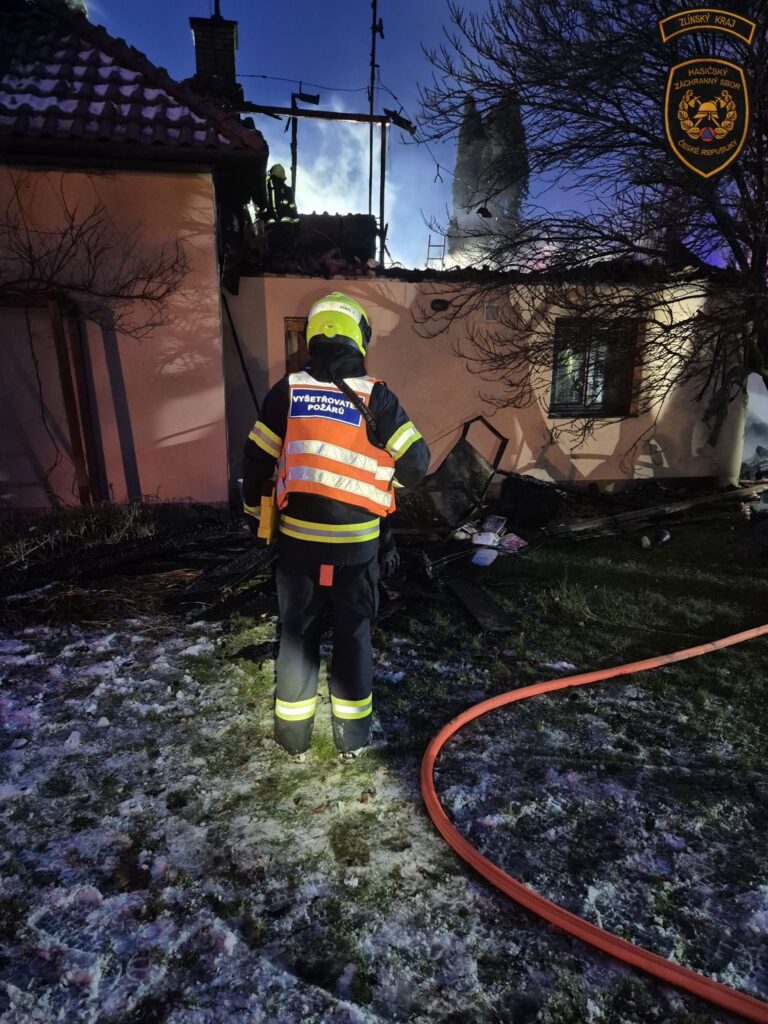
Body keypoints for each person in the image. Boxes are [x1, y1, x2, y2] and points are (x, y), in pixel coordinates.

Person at [243, 292, 430, 760]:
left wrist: (253, 516)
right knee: (353, 635)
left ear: (314, 336)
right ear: (358, 338)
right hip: (357, 548)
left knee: (296, 635)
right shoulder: (376, 396)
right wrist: (380, 480)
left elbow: (256, 458)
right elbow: (417, 464)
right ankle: (353, 737)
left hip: (299, 546)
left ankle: (293, 739)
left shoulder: (287, 391)